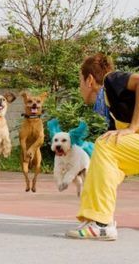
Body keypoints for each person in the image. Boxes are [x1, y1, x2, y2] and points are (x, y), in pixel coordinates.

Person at [65, 53, 139, 241]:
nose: (80, 88)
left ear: (89, 80)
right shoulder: (112, 111)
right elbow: (110, 170)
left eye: (79, 82)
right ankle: (97, 219)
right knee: (105, 150)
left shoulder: (111, 81)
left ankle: (102, 223)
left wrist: (133, 127)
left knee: (106, 144)